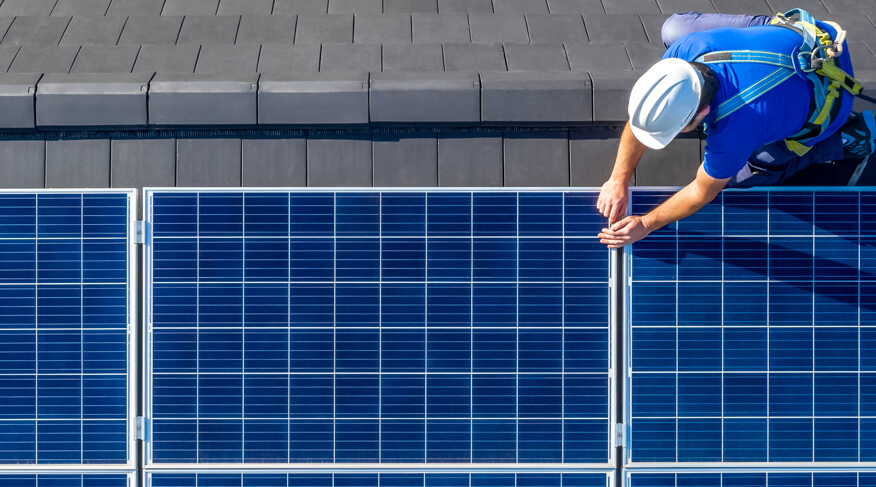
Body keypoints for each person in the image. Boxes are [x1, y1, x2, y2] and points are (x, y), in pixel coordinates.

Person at [597, 11, 876, 249]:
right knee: (673, 27)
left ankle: (847, 138)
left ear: (704, 113)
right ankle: (767, 35)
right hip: (812, 36)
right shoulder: (684, 51)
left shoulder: (734, 131)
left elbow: (701, 192)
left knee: (747, 174)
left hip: (832, 97)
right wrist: (617, 180)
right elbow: (643, 117)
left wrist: (647, 223)